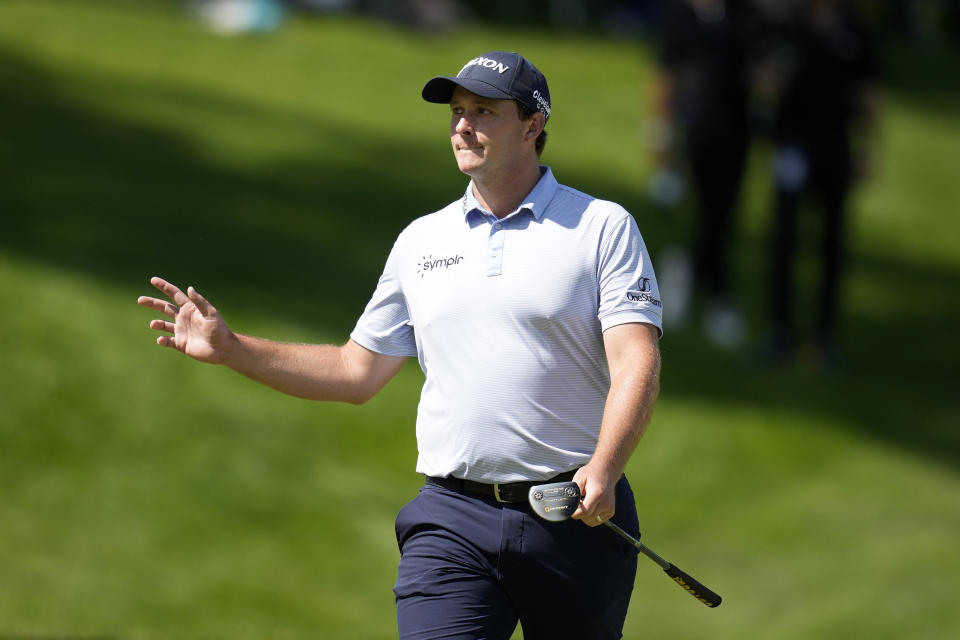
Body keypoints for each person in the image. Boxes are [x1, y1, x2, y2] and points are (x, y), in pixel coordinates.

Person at [137, 50, 663, 639]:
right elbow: (354, 370)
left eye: (483, 112)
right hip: (453, 521)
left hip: (572, 516)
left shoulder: (600, 227)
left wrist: (607, 467)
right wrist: (233, 348)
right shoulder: (421, 241)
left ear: (533, 125)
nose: (462, 126)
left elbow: (636, 359)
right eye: (457, 112)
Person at [758, 0, 880, 367]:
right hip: (793, 146)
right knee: (784, 240)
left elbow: (869, 93)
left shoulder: (856, 31)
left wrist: (868, 147)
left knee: (832, 245)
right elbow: (766, 82)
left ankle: (824, 338)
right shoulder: (788, 27)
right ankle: (779, 331)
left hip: (835, 149)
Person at [651, 0, 757, 346]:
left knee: (721, 214)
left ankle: (712, 294)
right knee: (689, 215)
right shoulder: (681, 17)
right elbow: (665, 78)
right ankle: (693, 292)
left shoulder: (741, 16)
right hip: (690, 133)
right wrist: (661, 133)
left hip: (735, 135)